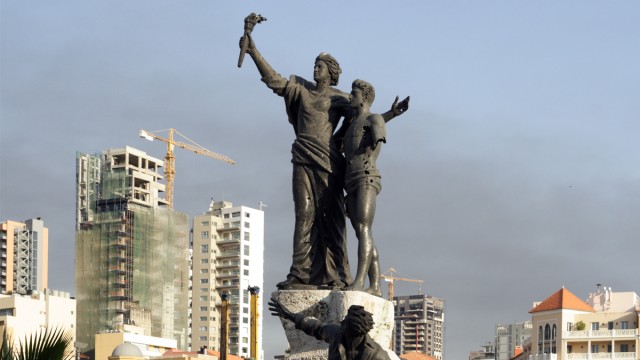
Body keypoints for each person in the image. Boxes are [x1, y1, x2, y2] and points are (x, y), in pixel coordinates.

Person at [240, 33, 407, 290]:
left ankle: (335, 275)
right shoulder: (301, 90)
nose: (315, 69)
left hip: (329, 161)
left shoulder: (340, 98)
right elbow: (275, 82)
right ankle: (299, 273)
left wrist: (391, 114)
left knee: (331, 219)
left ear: (330, 72)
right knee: (303, 214)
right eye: (315, 65)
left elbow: (367, 118)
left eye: (320, 66)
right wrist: (253, 51)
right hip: (303, 156)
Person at [343, 80, 409, 296]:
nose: (350, 96)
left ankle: (360, 281)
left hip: (366, 177)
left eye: (354, 93)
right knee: (363, 232)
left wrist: (388, 116)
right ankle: (376, 286)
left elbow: (376, 128)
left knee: (363, 229)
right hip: (350, 180)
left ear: (364, 97)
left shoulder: (374, 119)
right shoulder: (353, 122)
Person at [268, 298, 392, 360]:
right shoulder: (336, 334)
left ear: (354, 330)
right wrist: (290, 315)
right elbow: (316, 327)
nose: (341, 322)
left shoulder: (377, 355)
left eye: (345, 321)